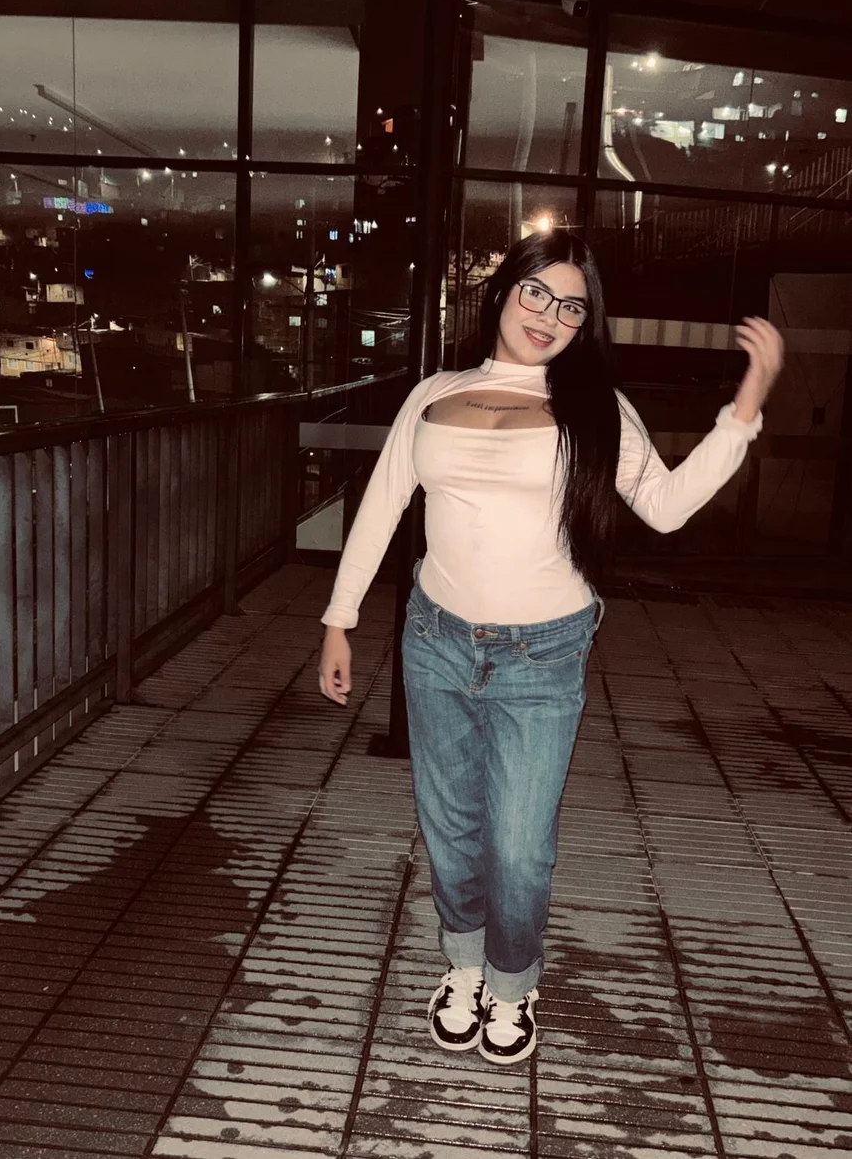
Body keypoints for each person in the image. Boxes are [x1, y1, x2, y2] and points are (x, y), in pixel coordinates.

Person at [317, 230, 783, 1065]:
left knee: (520, 843)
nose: (549, 315)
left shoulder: (596, 407)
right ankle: (464, 967)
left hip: (542, 655)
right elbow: (384, 504)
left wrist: (745, 405)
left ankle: (512, 981)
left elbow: (668, 504)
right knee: (449, 826)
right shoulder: (435, 392)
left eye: (571, 306)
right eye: (536, 292)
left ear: (582, 322)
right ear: (503, 292)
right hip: (435, 639)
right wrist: (338, 619)